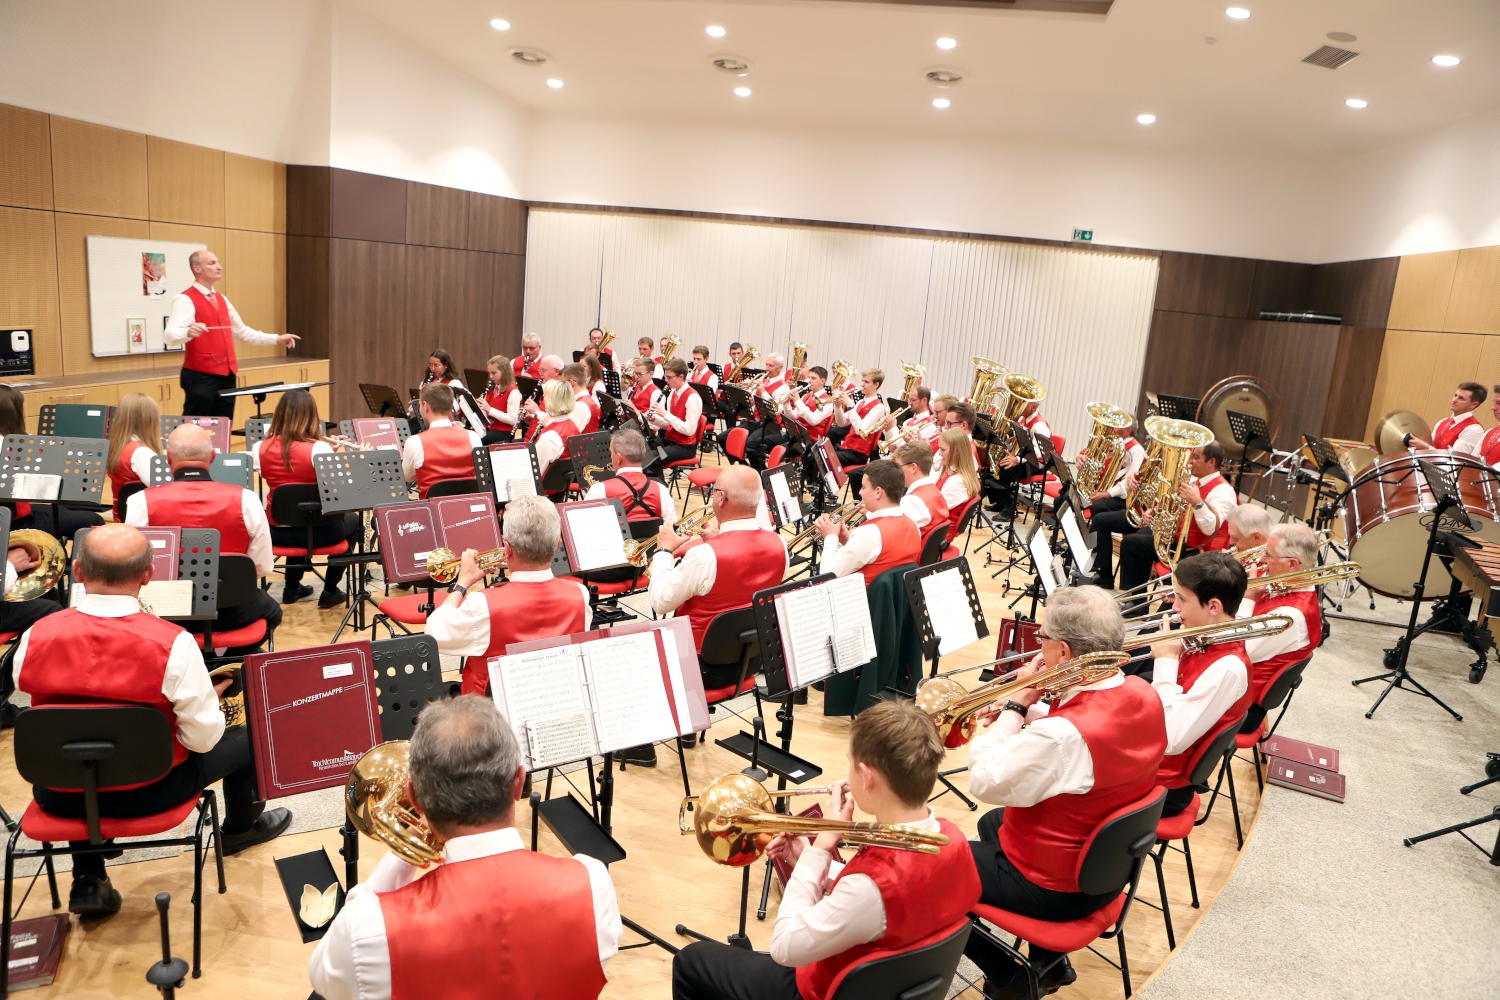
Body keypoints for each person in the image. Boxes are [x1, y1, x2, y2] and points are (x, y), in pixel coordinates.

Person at [14, 525, 292, 915]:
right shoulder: (173, 643)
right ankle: (240, 830)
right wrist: (207, 700)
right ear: (148, 575)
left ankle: (88, 877)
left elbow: (60, 712)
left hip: (58, 794)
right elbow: (202, 741)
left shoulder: (35, 635)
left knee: (78, 747)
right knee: (251, 736)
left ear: (78, 571)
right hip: (151, 791)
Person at [309, 696, 619, 1000]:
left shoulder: (369, 927)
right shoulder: (593, 885)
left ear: (415, 799)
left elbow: (323, 978)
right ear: (518, 783)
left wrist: (406, 847)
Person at [671, 700, 980, 1000]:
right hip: (895, 976)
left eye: (850, 762)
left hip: (817, 988)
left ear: (867, 776)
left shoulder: (867, 890)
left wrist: (820, 850)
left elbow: (784, 948)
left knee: (691, 962)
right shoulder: (952, 839)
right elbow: (889, 891)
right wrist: (807, 857)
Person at [964, 586, 1167, 999]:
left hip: (1058, 890)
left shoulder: (1061, 736)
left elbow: (983, 780)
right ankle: (1048, 961)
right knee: (993, 823)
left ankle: (1011, 976)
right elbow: (1083, 730)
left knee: (930, 864)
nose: (1036, 647)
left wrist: (1016, 707)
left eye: (1041, 639)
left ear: (1063, 652)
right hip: (1108, 873)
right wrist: (1033, 711)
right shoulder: (1145, 693)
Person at [127, 425, 281, 645]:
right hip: (232, 612)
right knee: (273, 611)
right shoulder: (246, 500)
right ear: (212, 456)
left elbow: (132, 570)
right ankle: (230, 663)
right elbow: (263, 567)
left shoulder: (139, 502)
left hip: (166, 615)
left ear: (168, 458)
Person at [425, 496, 590, 697]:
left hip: (488, 716)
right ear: (557, 545)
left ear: (508, 549)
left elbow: (434, 634)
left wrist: (462, 584)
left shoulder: (481, 604)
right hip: (553, 700)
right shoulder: (580, 595)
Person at [649, 466, 787, 684]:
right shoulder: (780, 545)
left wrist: (664, 551)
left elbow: (659, 602)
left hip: (696, 666)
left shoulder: (704, 556)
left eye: (713, 491)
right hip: (750, 661)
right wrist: (717, 543)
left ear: (721, 498)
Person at [1149, 552, 1252, 818]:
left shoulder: (1227, 669)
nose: (1175, 608)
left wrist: (1166, 662)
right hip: (1151, 759)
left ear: (1214, 607)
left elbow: (1171, 739)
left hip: (1161, 787)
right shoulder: (1205, 633)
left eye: (1182, 599)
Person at [251, 390, 360, 607]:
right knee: (354, 521)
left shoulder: (259, 448)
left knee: (297, 514)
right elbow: (341, 491)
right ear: (311, 415)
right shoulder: (318, 448)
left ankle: (292, 588)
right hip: (321, 533)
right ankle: (330, 590)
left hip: (277, 532)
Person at [163, 250, 300, 418]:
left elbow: (242, 331)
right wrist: (187, 331)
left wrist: (277, 338)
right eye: (212, 263)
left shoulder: (222, 299)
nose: (219, 267)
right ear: (197, 268)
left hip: (227, 376)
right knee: (196, 427)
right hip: (201, 377)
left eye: (218, 262)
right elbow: (169, 335)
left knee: (223, 427)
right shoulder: (185, 299)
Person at [1105, 441, 1238, 594]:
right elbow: (1172, 506)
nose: (1190, 461)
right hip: (1177, 541)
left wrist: (1198, 503)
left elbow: (1209, 529)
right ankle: (1134, 600)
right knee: (1134, 542)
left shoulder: (1223, 491)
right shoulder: (1194, 481)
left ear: (1211, 462)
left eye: (1195, 457)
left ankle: (1138, 602)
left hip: (1198, 551)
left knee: (1134, 542)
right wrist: (1154, 512)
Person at [0, 385, 104, 543]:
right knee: (93, 520)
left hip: (9, 516)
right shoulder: (12, 444)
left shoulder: (15, 440)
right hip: (15, 522)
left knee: (62, 511)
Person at [1242, 523, 1320, 727]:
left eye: (1268, 555)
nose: (1261, 560)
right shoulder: (1281, 581)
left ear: (1293, 565)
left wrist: (1248, 598)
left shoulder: (1290, 617)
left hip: (1239, 706)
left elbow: (1237, 652)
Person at [584, 428, 677, 585]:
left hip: (601, 570)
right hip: (638, 568)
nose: (610, 457)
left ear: (619, 458)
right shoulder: (661, 490)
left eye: (611, 453)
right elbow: (671, 531)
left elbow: (580, 536)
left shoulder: (600, 489)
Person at [816, 459, 920, 584]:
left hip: (863, 599)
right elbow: (877, 557)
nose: (860, 492)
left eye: (864, 487)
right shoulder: (914, 526)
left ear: (878, 492)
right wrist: (848, 541)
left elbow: (827, 576)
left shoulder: (869, 533)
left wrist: (830, 536)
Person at [401, 384, 483, 498]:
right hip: (467, 509)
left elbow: (407, 477)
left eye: (419, 405)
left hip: (432, 512)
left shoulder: (414, 442)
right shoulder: (473, 437)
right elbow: (479, 472)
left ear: (425, 406)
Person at [106, 391, 163, 521]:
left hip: (122, 518)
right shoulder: (141, 453)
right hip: (140, 522)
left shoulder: (119, 446)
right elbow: (164, 491)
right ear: (149, 422)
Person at [832, 369, 887, 494]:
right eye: (862, 381)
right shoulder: (861, 402)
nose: (862, 384)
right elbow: (842, 422)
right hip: (848, 447)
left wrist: (850, 406)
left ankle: (831, 494)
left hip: (858, 453)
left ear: (876, 385)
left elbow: (860, 430)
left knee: (829, 459)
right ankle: (825, 493)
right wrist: (837, 406)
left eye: (866, 382)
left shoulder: (878, 407)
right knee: (822, 454)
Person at [1081, 421, 1146, 514]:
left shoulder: (1136, 450)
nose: (1112, 429)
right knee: (1067, 497)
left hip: (1120, 497)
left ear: (1128, 431)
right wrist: (1081, 459)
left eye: (1117, 427)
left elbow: (1128, 484)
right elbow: (1092, 457)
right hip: (1100, 489)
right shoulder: (1113, 443)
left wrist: (1105, 494)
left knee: (1098, 507)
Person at [651, 358, 705, 465]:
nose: (666, 380)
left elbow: (689, 430)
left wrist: (666, 414)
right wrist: (655, 420)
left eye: (669, 377)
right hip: (671, 441)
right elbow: (671, 425)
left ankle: (658, 481)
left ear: (681, 377)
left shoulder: (692, 397)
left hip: (684, 447)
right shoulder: (673, 393)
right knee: (645, 450)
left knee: (655, 458)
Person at [894, 442, 949, 547]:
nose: (896, 471)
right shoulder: (934, 490)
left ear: (913, 467)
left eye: (898, 466)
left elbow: (893, 536)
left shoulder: (912, 501)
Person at [1407, 381, 1485, 455]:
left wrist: (1425, 447)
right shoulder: (1442, 422)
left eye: (1461, 398)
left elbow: (1455, 459)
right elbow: (1430, 443)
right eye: (1455, 395)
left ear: (1473, 405)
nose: (1454, 400)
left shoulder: (1474, 429)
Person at [744, 354, 792, 469]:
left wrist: (763, 391)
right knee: (725, 437)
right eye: (766, 364)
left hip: (772, 425)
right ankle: (744, 466)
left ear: (780, 368)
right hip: (756, 420)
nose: (767, 368)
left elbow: (776, 410)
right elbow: (752, 401)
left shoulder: (783, 388)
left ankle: (760, 472)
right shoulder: (763, 381)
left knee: (751, 444)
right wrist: (747, 392)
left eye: (771, 365)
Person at [935, 427, 981, 540]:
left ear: (957, 450)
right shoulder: (951, 471)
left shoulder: (956, 482)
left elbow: (934, 512)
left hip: (938, 537)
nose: (940, 454)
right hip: (937, 530)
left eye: (943, 450)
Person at [534, 380, 583, 484]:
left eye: (544, 397)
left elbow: (535, 473)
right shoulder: (572, 425)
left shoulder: (549, 438)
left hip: (542, 493)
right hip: (560, 489)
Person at [478, 355, 521, 444]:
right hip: (489, 427)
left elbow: (513, 419)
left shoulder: (513, 392)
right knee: (468, 435)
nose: (490, 376)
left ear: (504, 372)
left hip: (504, 432)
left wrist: (490, 410)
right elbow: (485, 414)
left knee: (477, 441)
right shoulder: (492, 388)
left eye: (494, 373)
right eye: (489, 373)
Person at [883, 384, 939, 449]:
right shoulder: (908, 421)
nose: (909, 403)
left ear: (924, 400)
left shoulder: (929, 426)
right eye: (909, 400)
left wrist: (893, 428)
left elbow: (904, 449)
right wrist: (888, 429)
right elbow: (894, 449)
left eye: (912, 400)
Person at [562, 362, 602, 435]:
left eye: (563, 383)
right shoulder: (585, 401)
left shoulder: (580, 406)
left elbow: (567, 434)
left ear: (571, 383)